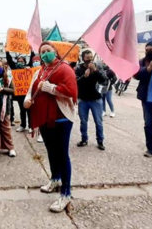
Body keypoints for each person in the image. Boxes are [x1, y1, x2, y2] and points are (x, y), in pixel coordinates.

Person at [24, 42, 78, 213]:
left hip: (62, 119)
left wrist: (49, 87)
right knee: (51, 151)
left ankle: (66, 193)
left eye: (48, 51)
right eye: (42, 52)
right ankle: (55, 179)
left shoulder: (64, 69)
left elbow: (71, 92)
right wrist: (27, 100)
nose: (46, 54)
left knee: (62, 155)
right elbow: (30, 90)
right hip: (44, 118)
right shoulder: (39, 71)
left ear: (55, 52)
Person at [75, 50, 107, 150]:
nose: (89, 59)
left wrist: (95, 70)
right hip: (83, 99)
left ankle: (100, 141)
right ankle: (84, 139)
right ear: (83, 58)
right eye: (87, 57)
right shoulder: (78, 69)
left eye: (91, 57)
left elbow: (104, 80)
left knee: (98, 122)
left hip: (96, 99)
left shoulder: (98, 67)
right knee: (83, 121)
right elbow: (76, 82)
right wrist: (84, 76)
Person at [6, 50, 35, 133]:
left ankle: (31, 126)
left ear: (25, 62)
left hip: (28, 93)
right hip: (19, 93)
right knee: (22, 110)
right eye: (18, 61)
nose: (20, 63)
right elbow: (9, 60)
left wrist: (32, 51)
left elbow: (32, 59)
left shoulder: (28, 68)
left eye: (22, 61)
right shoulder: (15, 68)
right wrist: (7, 51)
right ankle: (23, 125)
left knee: (29, 110)